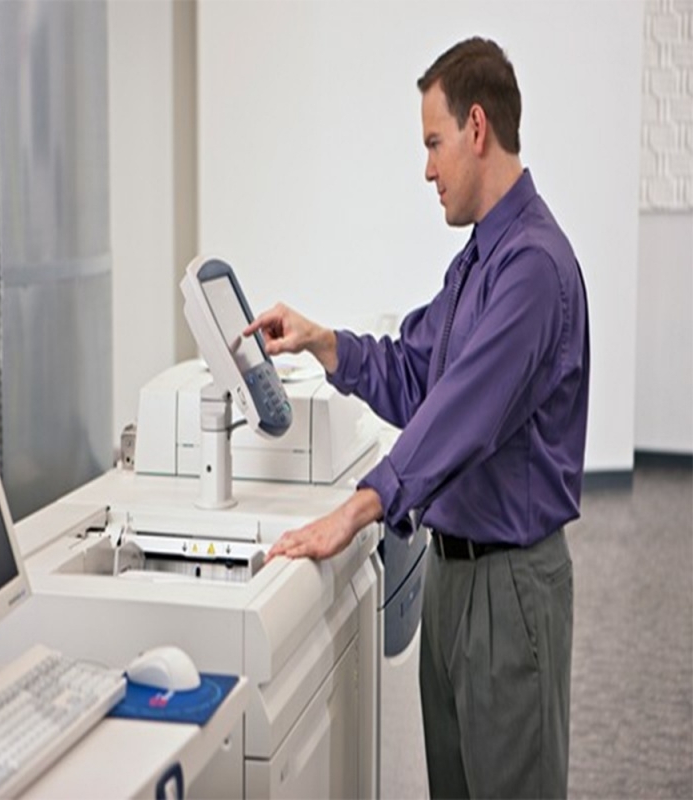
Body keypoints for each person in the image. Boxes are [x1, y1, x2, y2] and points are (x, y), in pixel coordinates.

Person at [245, 36, 590, 799]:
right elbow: (416, 372)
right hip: (453, 575)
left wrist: (361, 507)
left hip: (509, 590)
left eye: (433, 143)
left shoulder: (532, 268)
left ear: (475, 128)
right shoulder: (478, 262)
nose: (427, 167)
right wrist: (323, 340)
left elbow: (464, 413)